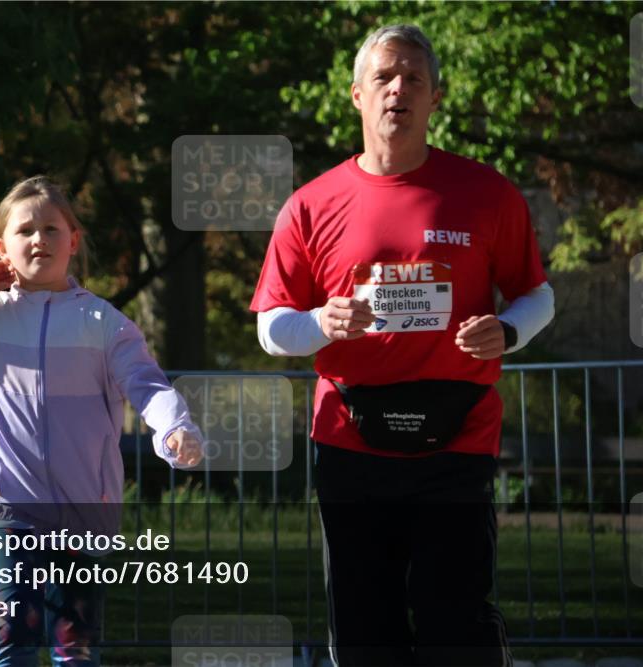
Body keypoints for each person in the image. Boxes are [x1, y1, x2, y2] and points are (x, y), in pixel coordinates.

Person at [250, 24, 554, 667]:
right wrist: (321, 323)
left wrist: (509, 331)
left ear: (435, 98)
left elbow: (537, 294)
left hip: (460, 436)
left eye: (414, 78)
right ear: (357, 95)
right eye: (385, 77)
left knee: (455, 622)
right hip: (349, 436)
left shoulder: (486, 192)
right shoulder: (310, 205)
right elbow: (271, 326)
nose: (399, 89)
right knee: (365, 626)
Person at [0, 175, 204, 667]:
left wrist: (175, 427)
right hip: (6, 504)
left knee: (74, 646)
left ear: (73, 241)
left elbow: (146, 384)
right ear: (1, 247)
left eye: (52, 229)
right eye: (25, 230)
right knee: (16, 630)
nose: (39, 240)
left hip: (87, 509)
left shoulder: (104, 323)